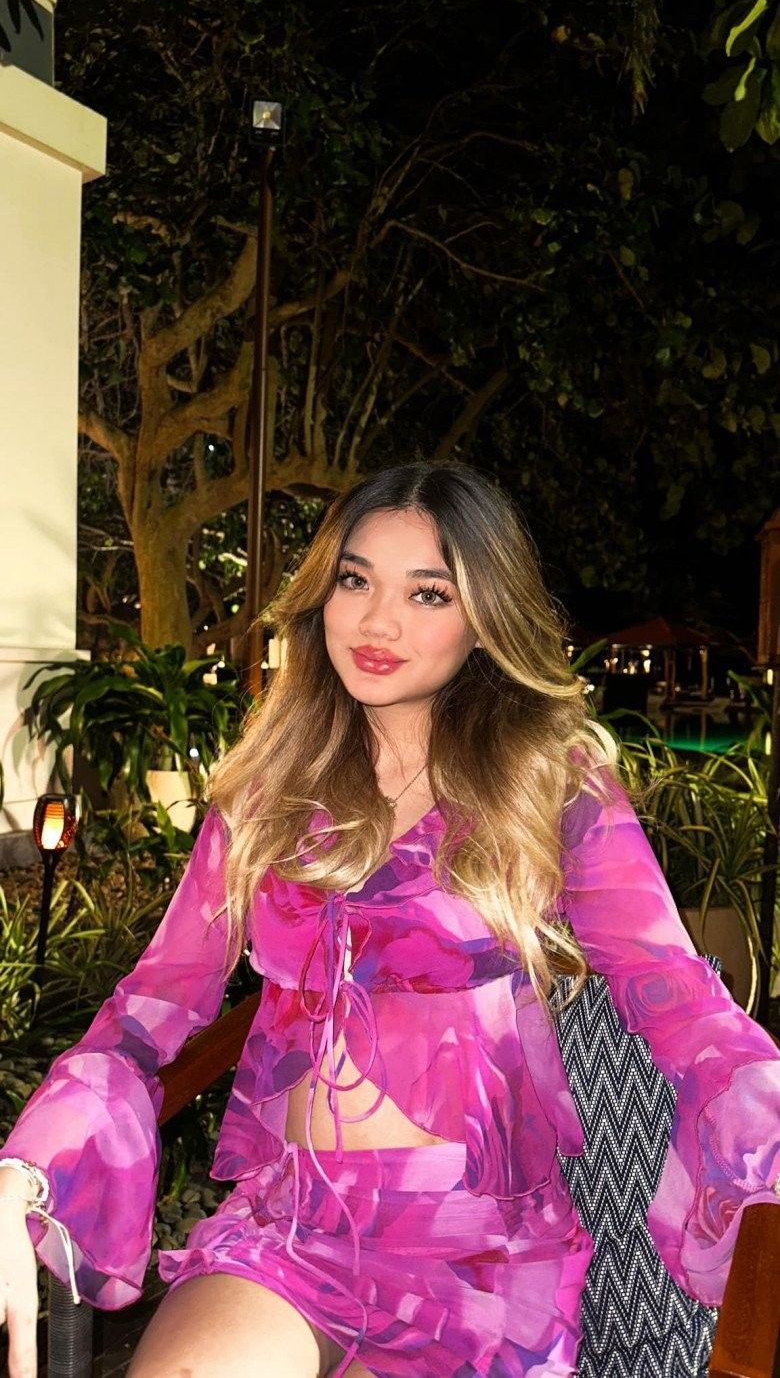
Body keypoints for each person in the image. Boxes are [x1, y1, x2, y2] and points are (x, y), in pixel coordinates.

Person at [1, 461, 779, 1378]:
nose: (377, 621)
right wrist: (26, 1173)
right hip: (292, 1225)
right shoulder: (269, 785)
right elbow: (153, 1005)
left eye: (427, 592)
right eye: (356, 579)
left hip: (475, 1248)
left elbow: (677, 993)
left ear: (484, 617)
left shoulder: (549, 780)